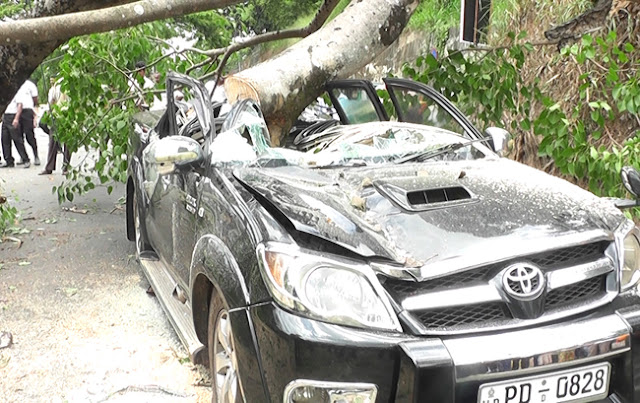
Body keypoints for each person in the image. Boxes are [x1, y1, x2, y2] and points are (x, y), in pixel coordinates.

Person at [39, 78, 71, 175]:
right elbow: (51, 103)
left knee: (64, 142)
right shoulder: (54, 89)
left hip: (64, 115)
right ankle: (55, 167)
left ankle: (62, 167)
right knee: (55, 140)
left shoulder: (60, 87)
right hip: (59, 115)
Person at [1, 87, 31, 168]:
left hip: (12, 115)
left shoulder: (16, 92)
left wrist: (16, 119)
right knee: (5, 140)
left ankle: (25, 159)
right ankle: (8, 160)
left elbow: (20, 105)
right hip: (5, 116)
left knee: (17, 140)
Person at [17, 79, 40, 165]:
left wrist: (33, 111)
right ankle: (23, 156)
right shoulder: (14, 84)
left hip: (27, 110)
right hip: (16, 111)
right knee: (18, 136)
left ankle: (36, 155)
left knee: (29, 135)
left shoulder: (30, 85)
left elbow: (35, 99)